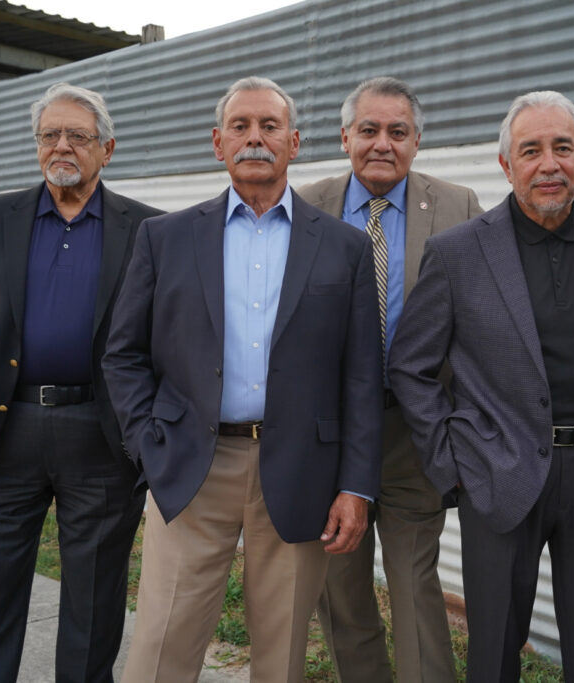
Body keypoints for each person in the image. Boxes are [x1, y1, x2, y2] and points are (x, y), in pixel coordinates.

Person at [103, 76, 383, 683]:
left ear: (295, 143)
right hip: (190, 465)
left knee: (280, 653)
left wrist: (356, 486)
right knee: (160, 645)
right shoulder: (164, 238)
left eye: (270, 127)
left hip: (301, 469)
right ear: (217, 142)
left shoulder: (345, 248)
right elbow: (122, 356)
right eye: (241, 126)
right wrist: (150, 445)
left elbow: (362, 378)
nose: (255, 138)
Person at [388, 90, 574, 682]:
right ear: (507, 165)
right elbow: (410, 364)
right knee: (493, 651)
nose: (549, 163)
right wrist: (451, 460)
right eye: (530, 150)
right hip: (497, 471)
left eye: (562, 147)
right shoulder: (458, 251)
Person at [0, 82, 162, 682]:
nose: (62, 146)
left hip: (101, 440)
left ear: (106, 149)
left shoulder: (151, 230)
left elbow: (165, 345)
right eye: (49, 134)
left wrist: (143, 434)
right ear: (36, 145)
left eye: (77, 136)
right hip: (4, 434)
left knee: (94, 601)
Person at [297, 76, 482, 683]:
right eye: (369, 130)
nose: (383, 143)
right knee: (341, 590)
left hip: (414, 431)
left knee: (414, 584)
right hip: (332, 436)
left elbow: (510, 264)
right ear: (345, 136)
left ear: (417, 141)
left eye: (397, 132)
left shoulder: (458, 206)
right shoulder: (305, 207)